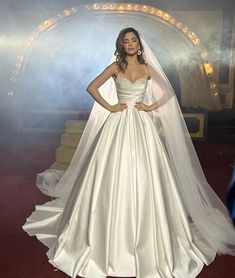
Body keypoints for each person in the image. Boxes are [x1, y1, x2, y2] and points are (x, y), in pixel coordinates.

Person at [23, 27, 235, 278]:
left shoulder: (147, 69)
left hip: (143, 126)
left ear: (139, 44)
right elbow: (91, 87)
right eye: (126, 41)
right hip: (118, 123)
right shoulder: (116, 67)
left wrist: (151, 106)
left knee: (148, 175)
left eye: (134, 40)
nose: (131, 44)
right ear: (121, 45)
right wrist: (111, 107)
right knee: (109, 172)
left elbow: (167, 91)